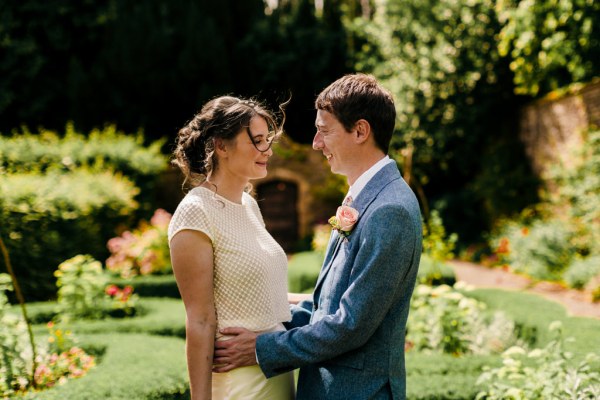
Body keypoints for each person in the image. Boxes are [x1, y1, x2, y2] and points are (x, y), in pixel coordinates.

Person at [214, 74, 423, 399]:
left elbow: (350, 324)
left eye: (324, 131)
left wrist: (260, 348)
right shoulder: (367, 197)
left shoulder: (389, 209)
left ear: (360, 131)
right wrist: (270, 315)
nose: (315, 143)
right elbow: (329, 304)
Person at [168, 96, 295, 400]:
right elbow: (199, 320)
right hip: (240, 381)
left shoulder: (249, 205)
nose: (268, 150)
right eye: (258, 141)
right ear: (221, 146)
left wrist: (331, 300)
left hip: (275, 369)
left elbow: (267, 292)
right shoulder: (196, 212)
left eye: (268, 140)